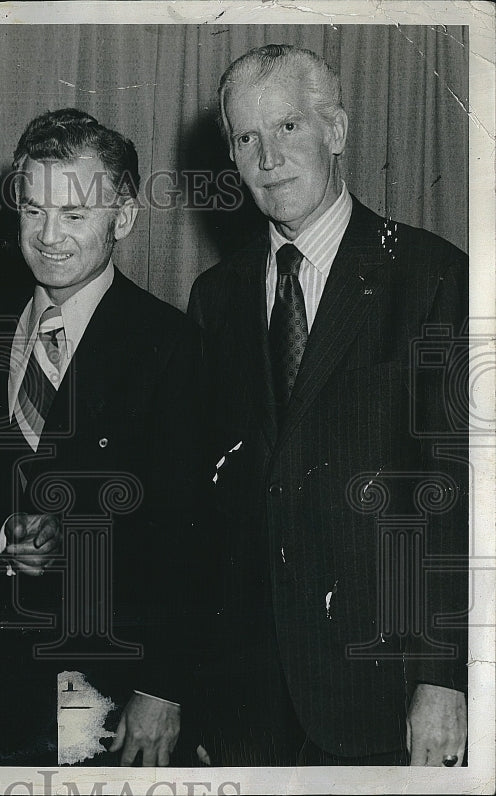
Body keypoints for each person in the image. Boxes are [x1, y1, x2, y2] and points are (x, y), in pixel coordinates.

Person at [187, 44, 469, 766]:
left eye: (287, 128)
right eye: (246, 138)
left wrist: (443, 678)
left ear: (336, 131)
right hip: (248, 693)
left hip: (383, 684)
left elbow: (456, 493)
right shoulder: (216, 297)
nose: (267, 157)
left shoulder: (429, 275)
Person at [0, 109, 214, 766]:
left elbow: (189, 541)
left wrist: (163, 689)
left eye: (74, 214)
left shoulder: (171, 347)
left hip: (112, 688)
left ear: (120, 219)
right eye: (34, 210)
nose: (48, 236)